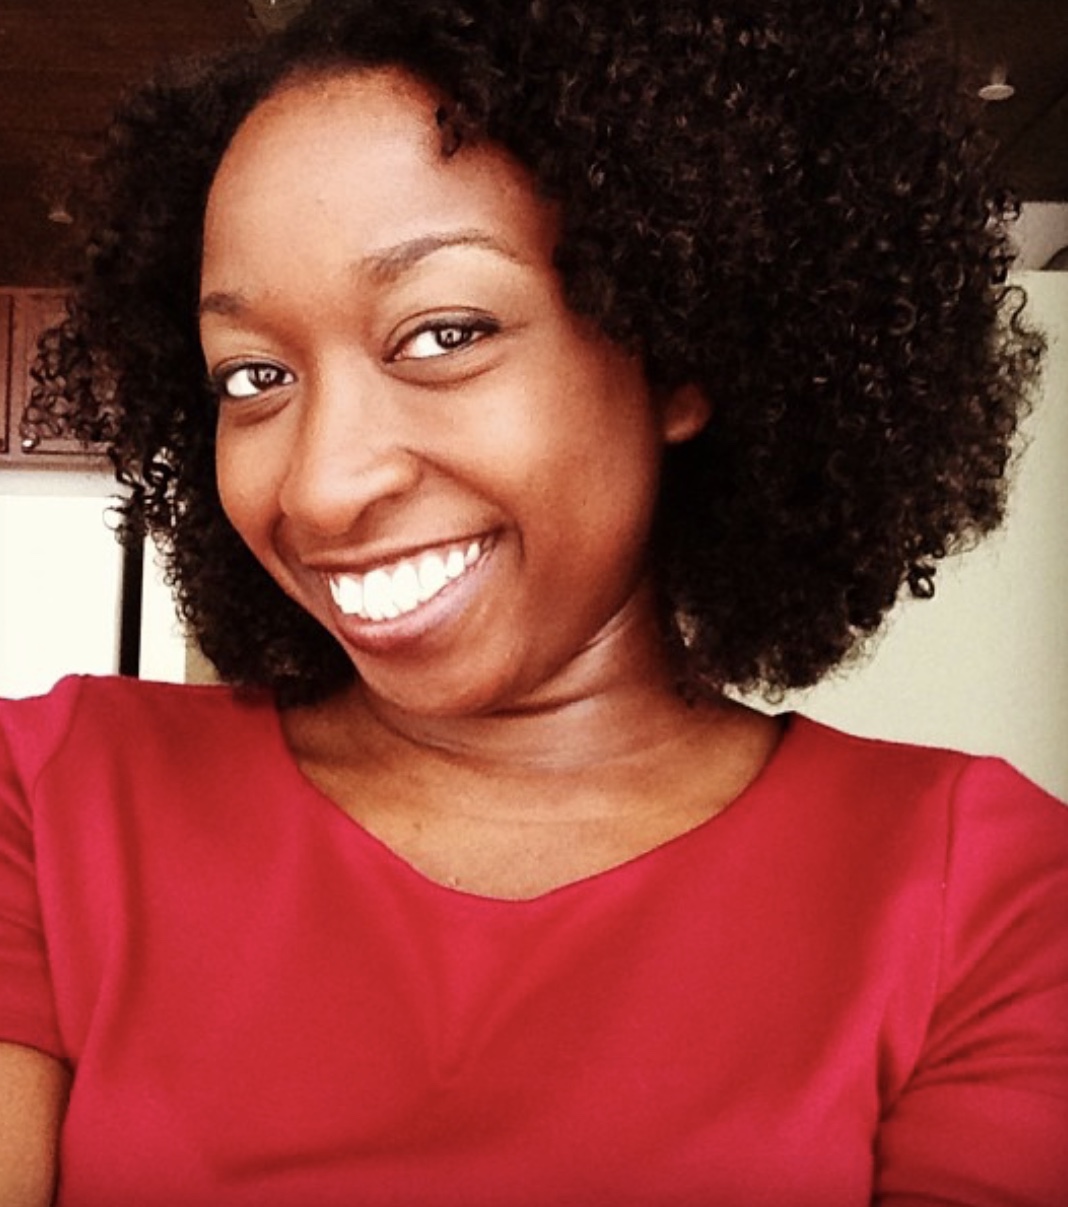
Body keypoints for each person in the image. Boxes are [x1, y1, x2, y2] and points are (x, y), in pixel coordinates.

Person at [3, 0, 1066, 1202]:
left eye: (443, 334)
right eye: (254, 376)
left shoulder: (980, 894)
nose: (321, 484)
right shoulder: (48, 800)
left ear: (674, 353)